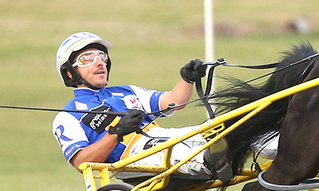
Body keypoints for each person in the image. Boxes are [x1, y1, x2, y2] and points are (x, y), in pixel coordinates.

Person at [51, 31, 232, 181]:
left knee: (221, 131)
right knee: (189, 149)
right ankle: (213, 160)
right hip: (132, 159)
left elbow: (174, 102)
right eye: (87, 58)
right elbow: (82, 162)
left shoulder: (128, 91)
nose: (99, 62)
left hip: (164, 137)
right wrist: (116, 133)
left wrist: (188, 78)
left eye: (101, 56)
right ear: (69, 72)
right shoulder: (67, 117)